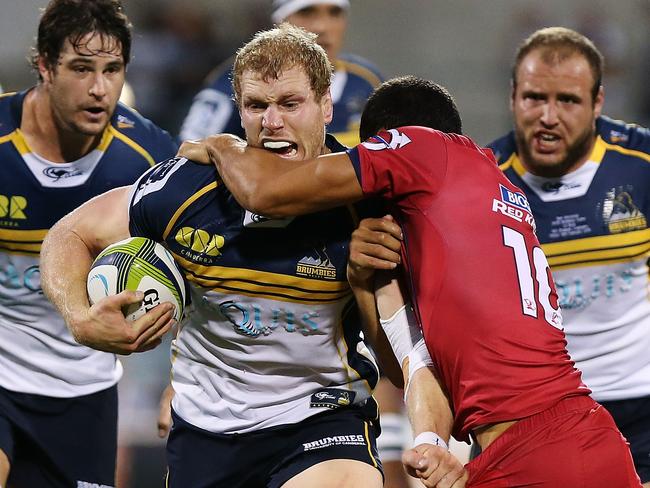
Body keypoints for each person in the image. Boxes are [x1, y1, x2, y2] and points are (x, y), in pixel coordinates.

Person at [177, 75, 642, 487]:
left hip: (537, 449)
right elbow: (409, 363)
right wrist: (364, 284)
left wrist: (224, 146)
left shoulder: (421, 148)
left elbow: (265, 192)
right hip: (561, 439)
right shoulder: (486, 196)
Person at [40, 24, 402, 488]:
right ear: (239, 111)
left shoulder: (365, 207)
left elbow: (395, 367)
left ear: (326, 105)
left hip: (323, 423)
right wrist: (81, 319)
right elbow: (68, 233)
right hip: (206, 436)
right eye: (257, 106)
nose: (273, 122)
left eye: (290, 104)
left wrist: (364, 283)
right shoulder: (184, 191)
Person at [0, 0, 177, 487]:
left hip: (85, 392)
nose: (100, 89)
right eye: (81, 68)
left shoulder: (149, 159)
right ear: (43, 67)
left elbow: (203, 268)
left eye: (112, 69)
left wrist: (178, 383)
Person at [487, 26, 650, 487]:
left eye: (569, 101)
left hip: (641, 402)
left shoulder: (642, 164)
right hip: (536, 412)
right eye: (535, 98)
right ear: (513, 96)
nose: (549, 117)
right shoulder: (479, 181)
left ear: (598, 102)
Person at [179, 0, 383, 148]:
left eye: (334, 13)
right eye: (306, 12)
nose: (322, 26)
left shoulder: (368, 81)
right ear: (279, 22)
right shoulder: (237, 81)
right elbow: (187, 154)